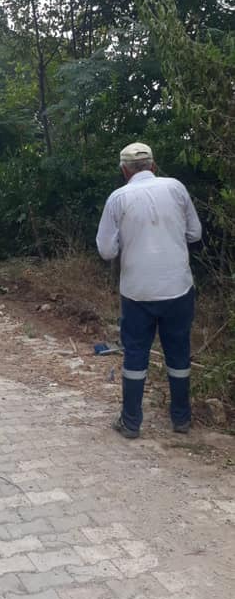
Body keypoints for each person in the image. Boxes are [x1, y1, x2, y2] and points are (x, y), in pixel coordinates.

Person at [96, 142, 202, 439]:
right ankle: (181, 419)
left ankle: (131, 422)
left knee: (136, 356)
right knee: (178, 354)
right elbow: (195, 233)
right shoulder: (176, 188)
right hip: (178, 288)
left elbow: (106, 250)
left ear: (124, 170)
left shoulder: (118, 198)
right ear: (153, 166)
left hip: (137, 292)